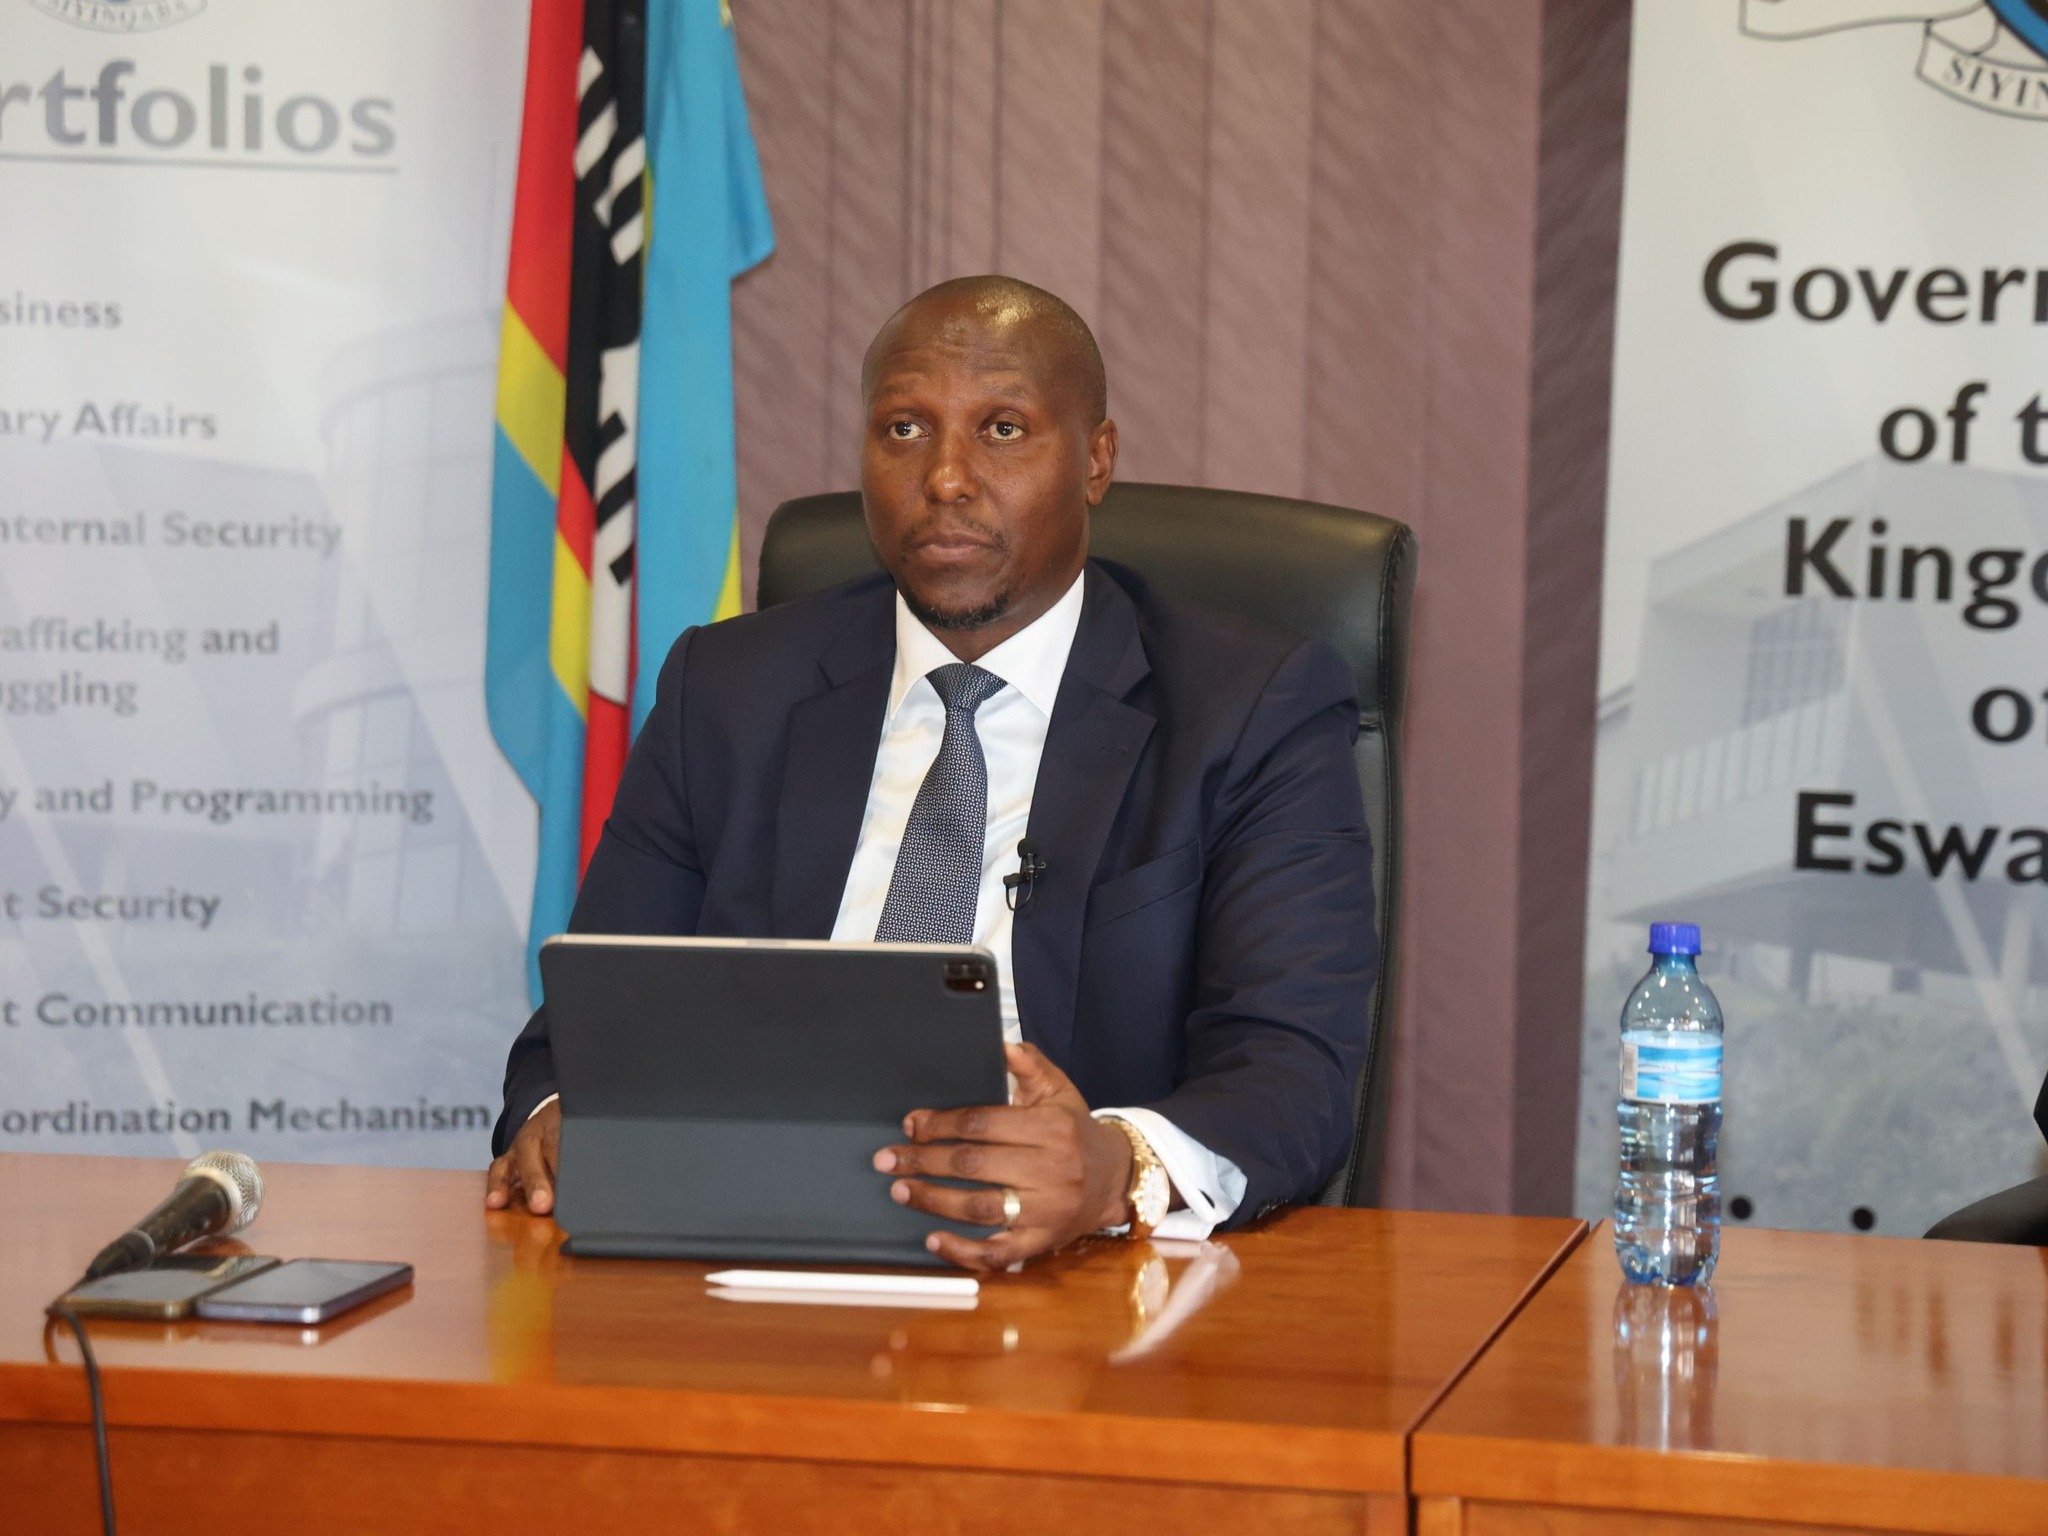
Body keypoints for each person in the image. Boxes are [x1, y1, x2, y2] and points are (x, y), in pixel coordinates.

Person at [485, 274, 1377, 1271]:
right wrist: (560, 1114)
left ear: (1095, 460)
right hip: (746, 1252)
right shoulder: (726, 691)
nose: (946, 478)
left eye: (1002, 430)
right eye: (904, 429)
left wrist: (1113, 1166)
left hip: (1079, 1279)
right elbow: (586, 1024)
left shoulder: (1249, 708)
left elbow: (1292, 1065)